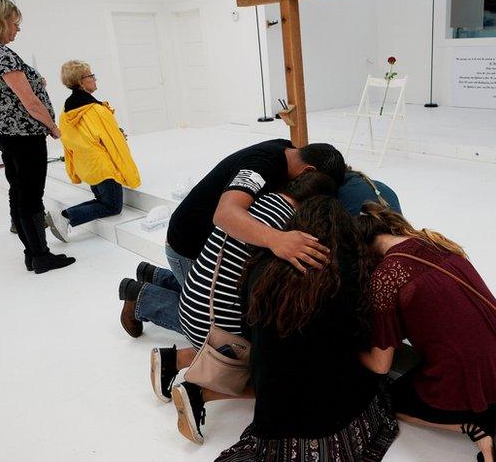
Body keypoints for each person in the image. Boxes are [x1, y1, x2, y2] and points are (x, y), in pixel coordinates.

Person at [171, 196, 398, 461]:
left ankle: (192, 380)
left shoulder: (261, 269)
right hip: (328, 414)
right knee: (379, 381)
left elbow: (249, 329)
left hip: (272, 413)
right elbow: (357, 341)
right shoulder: (349, 276)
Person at [355, 203, 496, 462]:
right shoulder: (435, 242)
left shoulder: (385, 276)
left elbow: (380, 366)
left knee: (391, 400)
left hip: (469, 375)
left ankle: (478, 427)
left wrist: (349, 351)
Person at [122, 139, 345, 332]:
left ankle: (154, 275)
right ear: (308, 172)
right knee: (219, 330)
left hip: (204, 244)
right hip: (188, 247)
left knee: (209, 289)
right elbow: (225, 214)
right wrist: (277, 239)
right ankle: (141, 298)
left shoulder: (287, 151)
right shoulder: (261, 167)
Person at [0, 0, 74, 274]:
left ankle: (32, 253)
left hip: (1, 130)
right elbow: (30, 103)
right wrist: (52, 126)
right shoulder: (1, 54)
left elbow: (1, 88)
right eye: (14, 24)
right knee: (31, 194)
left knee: (18, 189)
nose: (17, 29)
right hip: (23, 134)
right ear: (0, 21)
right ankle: (41, 256)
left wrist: (31, 80)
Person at [44, 60, 140, 241]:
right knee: (112, 206)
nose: (95, 79)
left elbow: (70, 141)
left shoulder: (67, 110)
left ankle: (63, 216)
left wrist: (72, 169)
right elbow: (113, 143)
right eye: (91, 76)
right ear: (81, 82)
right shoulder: (96, 109)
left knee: (103, 201)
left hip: (87, 165)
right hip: (104, 167)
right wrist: (128, 171)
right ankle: (65, 217)